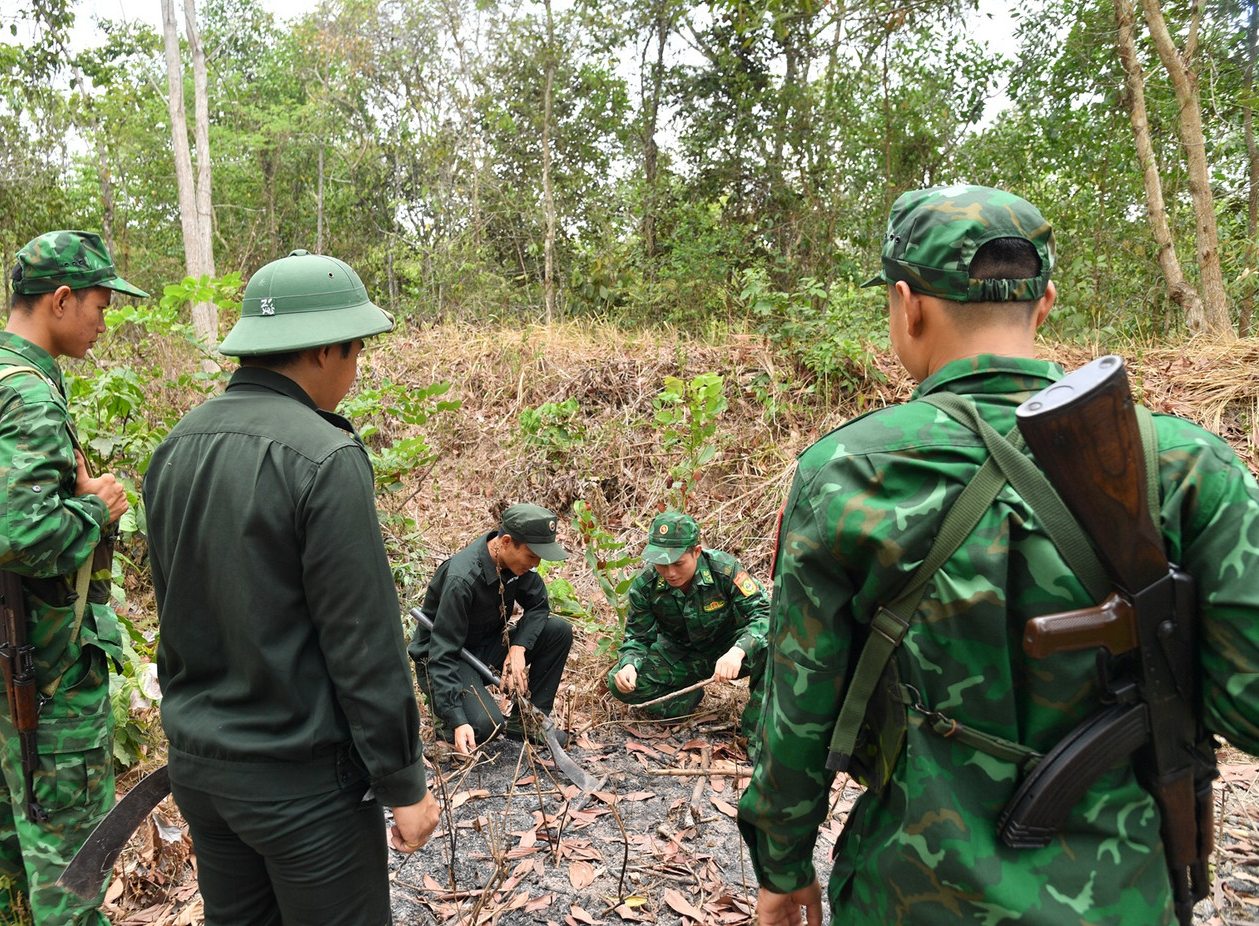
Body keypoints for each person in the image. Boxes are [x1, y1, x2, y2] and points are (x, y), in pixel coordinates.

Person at [736, 185, 1259, 925]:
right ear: (1045, 303)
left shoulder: (846, 472)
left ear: (907, 305)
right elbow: (1250, 707)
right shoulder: (1186, 467)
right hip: (1127, 896)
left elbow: (797, 709)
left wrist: (783, 864)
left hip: (909, 896)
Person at [143, 249, 439, 926]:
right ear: (324, 350)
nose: (355, 370)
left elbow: (176, 606)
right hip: (301, 788)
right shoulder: (324, 456)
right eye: (356, 351)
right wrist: (404, 783)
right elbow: (362, 641)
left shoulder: (176, 446)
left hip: (202, 774)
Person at [0, 230, 145, 926]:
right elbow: (9, 534)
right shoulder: (30, 395)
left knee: (6, 849)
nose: (104, 322)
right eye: (99, 305)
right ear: (60, 300)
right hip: (45, 666)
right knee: (71, 875)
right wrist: (96, 508)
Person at [409, 504, 574, 754]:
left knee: (557, 631)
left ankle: (529, 723)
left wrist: (518, 648)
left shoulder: (516, 563)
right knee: (487, 726)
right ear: (506, 542)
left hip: (485, 649)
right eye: (532, 556)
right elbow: (441, 655)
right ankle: (446, 723)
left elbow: (539, 606)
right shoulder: (462, 580)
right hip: (445, 659)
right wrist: (457, 718)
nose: (536, 564)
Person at [606, 512, 769, 751]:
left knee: (773, 648)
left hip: (729, 650)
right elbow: (638, 638)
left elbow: (764, 615)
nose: (670, 573)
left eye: (678, 563)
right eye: (662, 564)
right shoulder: (646, 585)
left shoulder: (724, 570)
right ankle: (686, 700)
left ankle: (757, 736)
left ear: (697, 552)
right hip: (680, 656)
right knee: (617, 681)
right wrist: (629, 664)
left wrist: (738, 651)